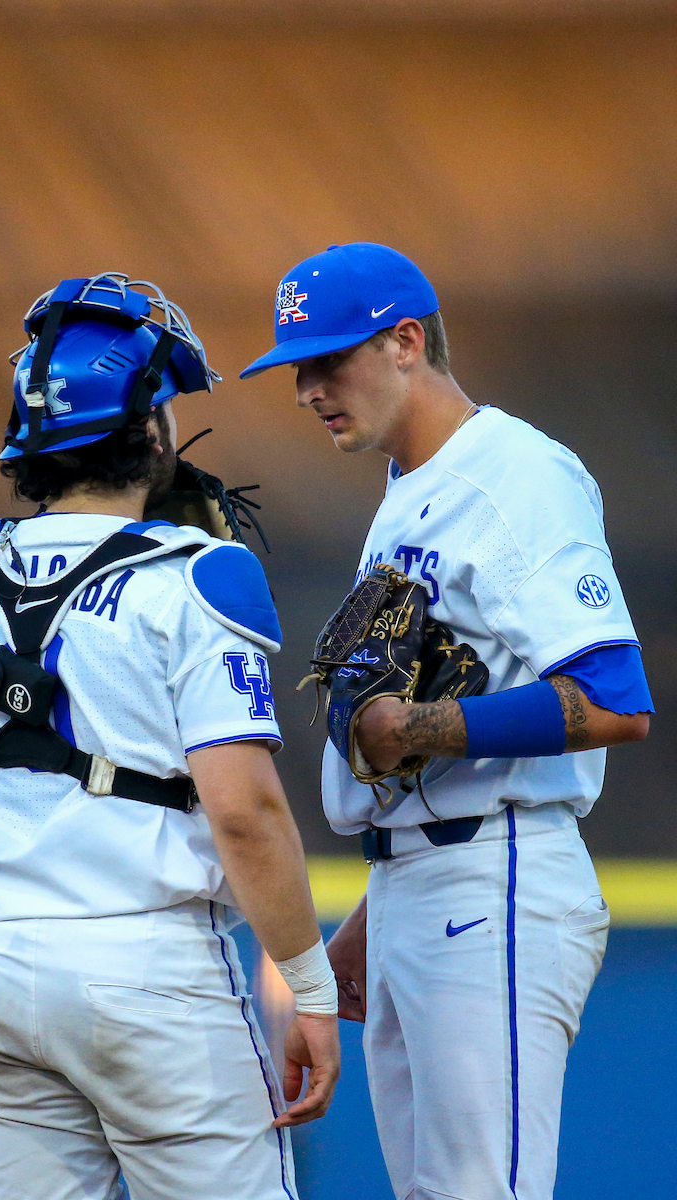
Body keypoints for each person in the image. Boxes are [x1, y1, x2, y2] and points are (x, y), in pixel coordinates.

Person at [0, 273, 339, 1200]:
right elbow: (246, 814)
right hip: (152, 972)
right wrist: (309, 991)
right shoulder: (201, 572)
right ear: (148, 427)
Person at [241, 243, 653, 1200]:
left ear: (405, 341)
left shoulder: (512, 473)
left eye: (326, 360)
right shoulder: (408, 494)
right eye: (297, 368)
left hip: (498, 876)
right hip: (424, 884)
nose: (306, 388)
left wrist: (418, 727)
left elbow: (615, 700)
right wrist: (376, 907)